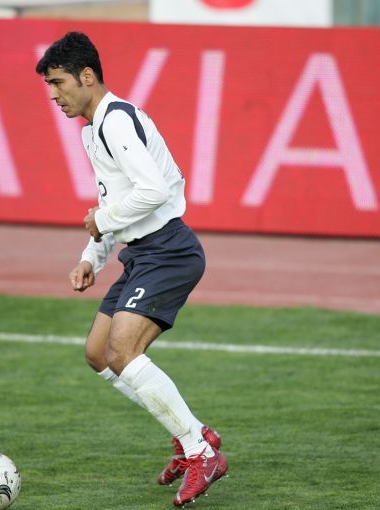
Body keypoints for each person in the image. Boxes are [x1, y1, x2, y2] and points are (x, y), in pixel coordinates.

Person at [35, 32, 227, 507]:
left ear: (87, 76)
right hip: (141, 253)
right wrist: (91, 255)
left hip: (168, 250)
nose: (53, 95)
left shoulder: (116, 121)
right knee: (98, 353)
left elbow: (153, 192)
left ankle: (200, 451)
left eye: (58, 82)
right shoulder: (93, 130)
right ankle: (192, 434)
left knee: (123, 351)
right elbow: (115, 202)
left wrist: (101, 222)